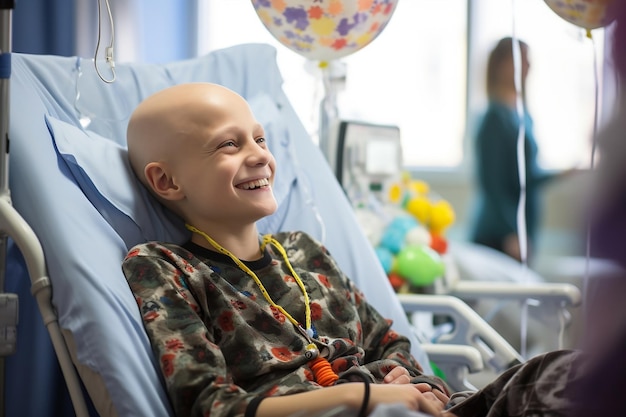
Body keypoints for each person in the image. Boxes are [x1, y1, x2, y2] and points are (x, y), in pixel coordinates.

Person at [122, 82, 582, 417]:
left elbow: (389, 340)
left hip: (409, 409)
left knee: (560, 373)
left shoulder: (303, 251)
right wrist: (362, 397)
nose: (260, 155)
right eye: (229, 144)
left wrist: (407, 380)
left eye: (260, 139)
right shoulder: (165, 268)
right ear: (166, 181)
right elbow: (208, 405)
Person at [469, 37, 559, 262]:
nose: (529, 66)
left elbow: (526, 176)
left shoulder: (522, 114)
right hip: (499, 234)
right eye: (522, 59)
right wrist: (511, 231)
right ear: (502, 65)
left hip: (523, 225)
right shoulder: (494, 118)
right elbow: (492, 183)